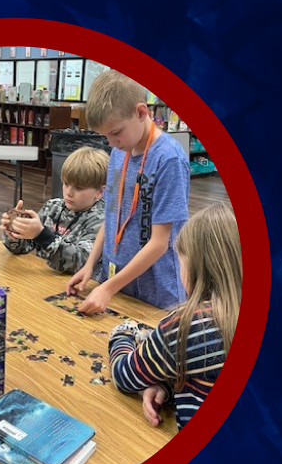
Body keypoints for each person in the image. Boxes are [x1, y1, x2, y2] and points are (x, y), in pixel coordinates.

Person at [66, 71, 190, 312]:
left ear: (141, 113)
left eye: (115, 133)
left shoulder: (169, 160)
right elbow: (112, 217)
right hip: (115, 284)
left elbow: (160, 243)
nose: (111, 144)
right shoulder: (118, 152)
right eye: (105, 136)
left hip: (155, 295)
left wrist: (109, 288)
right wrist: (90, 265)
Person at [108, 202, 239, 429]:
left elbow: (123, 376)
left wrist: (123, 332)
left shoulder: (187, 326)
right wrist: (170, 385)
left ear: (193, 266)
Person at [1, 147, 107, 274]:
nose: (69, 193)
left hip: (76, 288)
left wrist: (41, 235)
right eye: (66, 183)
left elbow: (81, 261)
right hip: (44, 280)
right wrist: (15, 233)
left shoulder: (102, 221)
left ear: (100, 192)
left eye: (78, 188)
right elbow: (24, 247)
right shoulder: (52, 207)